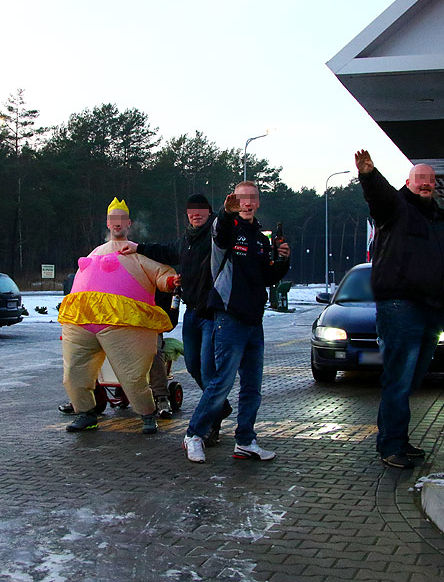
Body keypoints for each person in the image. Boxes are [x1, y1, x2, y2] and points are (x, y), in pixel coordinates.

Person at [355, 150, 444, 469]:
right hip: (401, 305)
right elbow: (380, 198)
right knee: (400, 378)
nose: (425, 184)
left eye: (429, 180)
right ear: (408, 183)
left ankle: (393, 436)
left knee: (412, 378)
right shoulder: (397, 208)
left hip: (432, 308)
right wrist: (370, 176)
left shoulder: (439, 220)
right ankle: (391, 445)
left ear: (435, 185)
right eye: (419, 179)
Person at [183, 181, 290, 463]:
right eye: (242, 198)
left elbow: (267, 278)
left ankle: (245, 440)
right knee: (221, 383)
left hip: (255, 320)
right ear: (235, 201)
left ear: (258, 202)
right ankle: (194, 434)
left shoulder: (261, 238)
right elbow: (220, 233)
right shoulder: (226, 229)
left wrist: (282, 261)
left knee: (252, 386)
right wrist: (225, 212)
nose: (248, 202)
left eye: (252, 198)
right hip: (228, 317)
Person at [58, 198, 178, 434]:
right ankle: (85, 413)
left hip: (123, 324)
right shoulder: (95, 252)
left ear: (129, 223)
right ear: (107, 223)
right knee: (73, 372)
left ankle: (146, 413)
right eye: (113, 220)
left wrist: (171, 281)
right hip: (83, 322)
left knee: (132, 375)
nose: (117, 224)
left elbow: (160, 274)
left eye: (122, 220)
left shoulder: (136, 251)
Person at [120, 193, 233, 444]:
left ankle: (211, 423)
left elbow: (225, 227)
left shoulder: (216, 236)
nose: (196, 214)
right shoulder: (187, 241)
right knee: (193, 366)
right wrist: (138, 247)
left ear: (209, 212)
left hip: (212, 315)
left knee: (207, 368)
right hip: (191, 314)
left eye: (201, 210)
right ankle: (220, 405)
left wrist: (226, 213)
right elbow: (165, 250)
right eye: (191, 210)